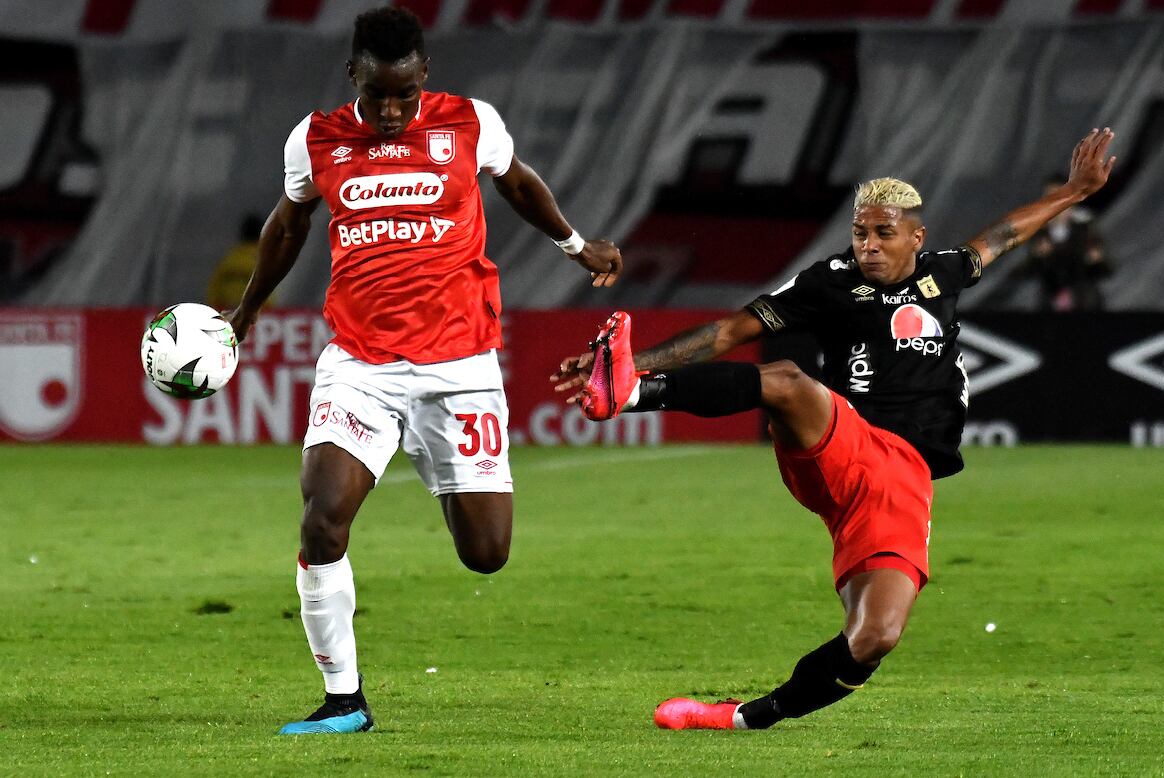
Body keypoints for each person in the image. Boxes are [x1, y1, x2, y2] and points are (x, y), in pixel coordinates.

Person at [553, 129, 1115, 730]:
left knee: (875, 635)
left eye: (883, 233)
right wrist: (632, 367)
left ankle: (742, 718)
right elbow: (727, 332)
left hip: (904, 480)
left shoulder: (945, 272)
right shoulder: (829, 281)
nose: (868, 246)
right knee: (788, 381)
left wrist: (1076, 191)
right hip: (845, 444)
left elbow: (1005, 234)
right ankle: (635, 395)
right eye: (860, 232)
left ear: (916, 237)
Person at [227, 6, 621, 735]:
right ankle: (344, 701)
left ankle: (444, 475)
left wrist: (573, 244)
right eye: (377, 94)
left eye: (404, 95)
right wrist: (247, 311)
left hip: (462, 367)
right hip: (360, 366)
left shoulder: (471, 124)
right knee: (322, 520)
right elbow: (288, 225)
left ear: (424, 76)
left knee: (487, 553)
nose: (390, 110)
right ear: (354, 76)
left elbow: (519, 182)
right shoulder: (315, 138)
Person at [1020, 174, 1113, 311]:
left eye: (1060, 198)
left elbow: (1106, 269)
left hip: (1085, 307)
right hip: (1048, 309)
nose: (1056, 205)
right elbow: (1026, 271)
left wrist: (1096, 260)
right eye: (1050, 198)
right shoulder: (1038, 233)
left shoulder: (1086, 230)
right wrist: (1037, 256)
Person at [207, 213, 266, 311]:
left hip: (226, 312)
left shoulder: (230, 258)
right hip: (250, 314)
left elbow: (214, 289)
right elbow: (267, 294)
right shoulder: (261, 261)